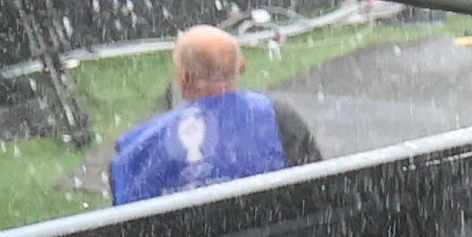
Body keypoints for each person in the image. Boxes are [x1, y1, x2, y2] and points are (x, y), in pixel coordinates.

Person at [108, 26, 321, 205]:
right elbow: (318, 192)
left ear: (183, 78)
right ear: (241, 67)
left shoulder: (136, 152)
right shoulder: (278, 119)